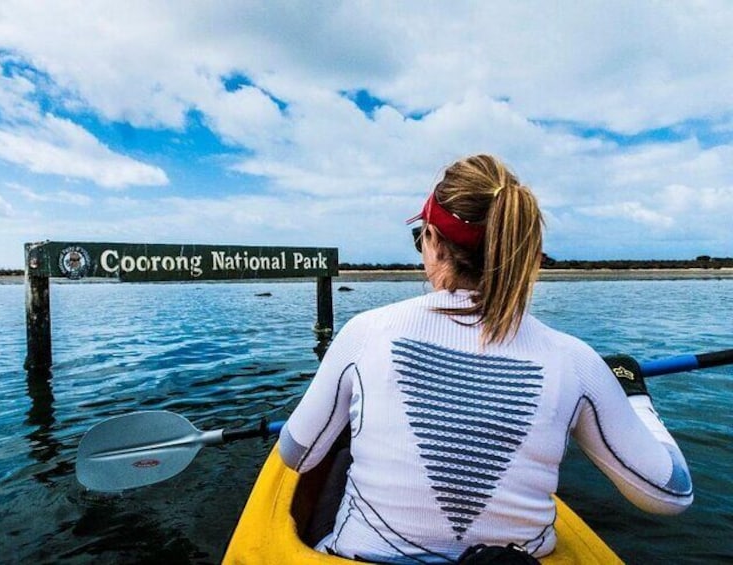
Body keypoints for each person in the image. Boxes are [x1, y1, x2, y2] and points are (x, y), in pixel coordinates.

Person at [278, 154, 692, 563]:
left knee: (343, 456)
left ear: (434, 242)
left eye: (421, 236)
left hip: (361, 555)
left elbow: (298, 455)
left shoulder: (365, 333)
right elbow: (671, 493)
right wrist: (634, 395)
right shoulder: (575, 361)